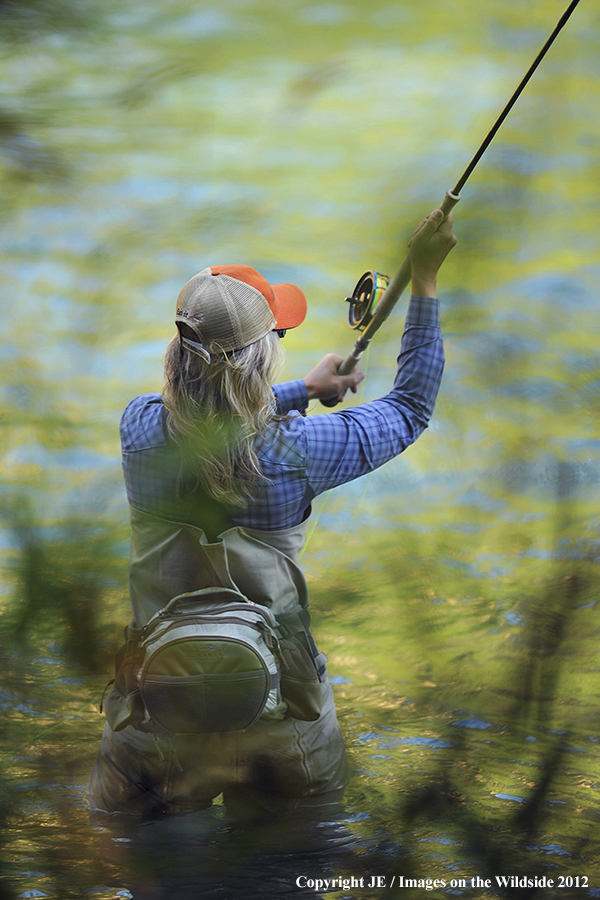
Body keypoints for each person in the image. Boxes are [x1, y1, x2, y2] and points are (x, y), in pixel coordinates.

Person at [86, 208, 456, 819]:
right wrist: (424, 280)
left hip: (158, 715)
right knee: (293, 863)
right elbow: (411, 406)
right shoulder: (301, 451)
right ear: (261, 360)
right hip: (283, 718)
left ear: (177, 354)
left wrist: (304, 392)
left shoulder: (141, 432)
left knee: (141, 863)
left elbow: (207, 415)